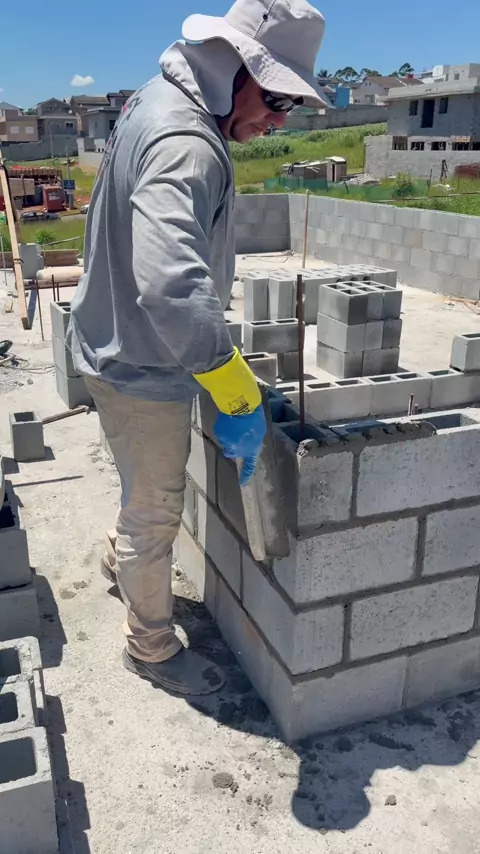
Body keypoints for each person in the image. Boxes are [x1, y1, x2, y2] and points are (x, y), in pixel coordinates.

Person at [68, 0, 328, 695]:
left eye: (290, 107)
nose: (279, 121)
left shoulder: (155, 98)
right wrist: (229, 381)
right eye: (276, 99)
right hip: (141, 363)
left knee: (139, 481)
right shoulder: (187, 141)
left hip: (112, 339)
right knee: (158, 504)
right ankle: (151, 647)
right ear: (234, 68)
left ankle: (122, 554)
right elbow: (170, 285)